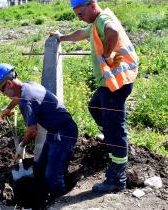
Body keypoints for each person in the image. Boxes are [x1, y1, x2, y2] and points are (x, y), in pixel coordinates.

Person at [50, 0, 139, 193]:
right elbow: (82, 33)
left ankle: (117, 177)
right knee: (95, 106)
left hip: (116, 84)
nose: (79, 17)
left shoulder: (103, 19)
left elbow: (113, 32)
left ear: (92, 5)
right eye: (77, 15)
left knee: (115, 129)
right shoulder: (95, 22)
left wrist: (107, 54)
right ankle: (114, 135)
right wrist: (61, 37)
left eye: (80, 13)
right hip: (111, 83)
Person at [0, 63, 78, 200]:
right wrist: (8, 108)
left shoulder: (26, 100)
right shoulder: (28, 86)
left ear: (8, 83)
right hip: (55, 131)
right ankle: (43, 194)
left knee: (52, 177)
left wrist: (22, 146)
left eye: (2, 90)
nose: (3, 94)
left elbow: (32, 131)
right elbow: (17, 98)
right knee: (40, 168)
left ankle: (58, 200)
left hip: (64, 133)